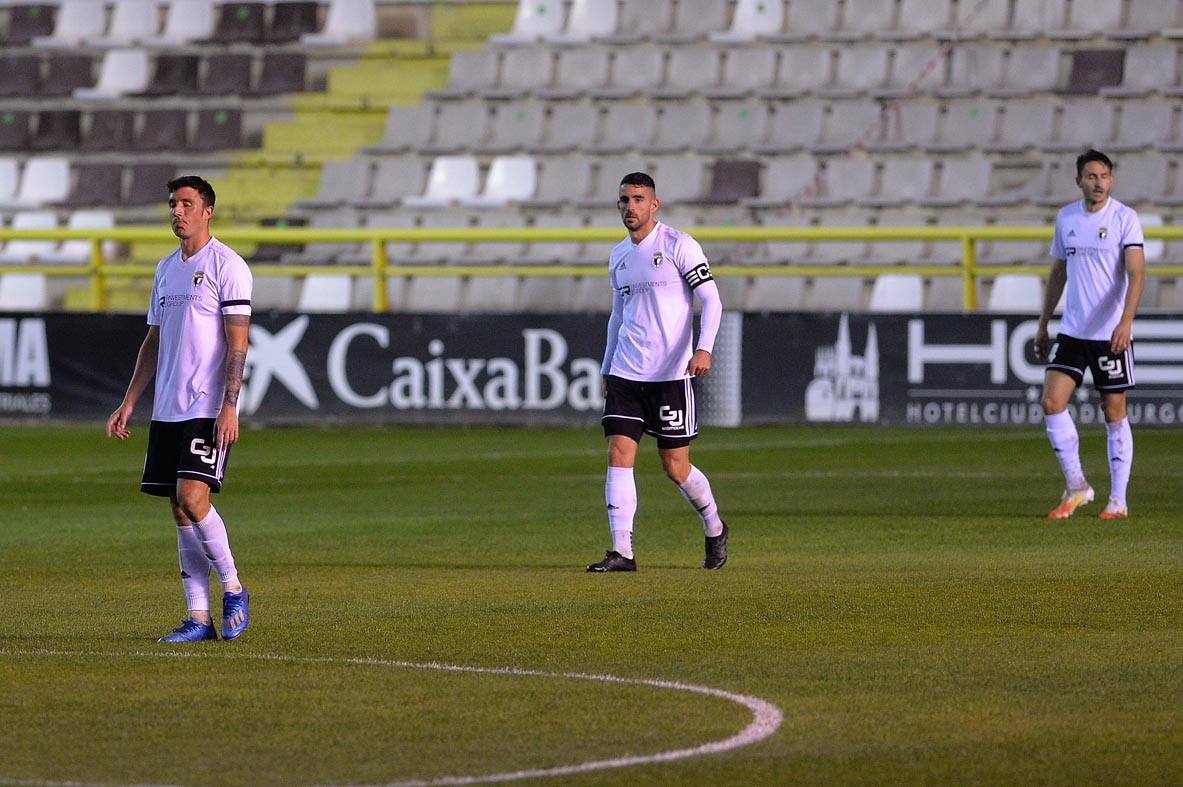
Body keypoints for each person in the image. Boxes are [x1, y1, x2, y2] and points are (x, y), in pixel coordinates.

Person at [107, 175, 253, 641]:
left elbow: (238, 343)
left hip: (206, 406)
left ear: (207, 210)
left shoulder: (228, 266)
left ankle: (233, 586)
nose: (177, 211)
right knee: (177, 507)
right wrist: (130, 401)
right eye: (173, 204)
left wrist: (229, 407)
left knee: (194, 498)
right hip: (167, 408)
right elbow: (153, 340)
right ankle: (198, 617)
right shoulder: (166, 268)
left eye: (187, 204)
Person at [588, 172, 728, 572]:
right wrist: (607, 363)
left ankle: (715, 527)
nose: (630, 207)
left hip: (671, 374)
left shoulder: (678, 245)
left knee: (675, 467)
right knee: (619, 453)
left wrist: (704, 348)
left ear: (654, 204)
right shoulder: (618, 256)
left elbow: (712, 301)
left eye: (637, 199)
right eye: (624, 200)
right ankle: (622, 551)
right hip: (626, 372)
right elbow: (618, 316)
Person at [1035, 149, 1145, 520]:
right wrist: (1043, 323)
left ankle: (1118, 500)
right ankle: (1077, 485)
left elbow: (1136, 273)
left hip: (1110, 333)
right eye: (1091, 176)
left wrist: (1126, 321)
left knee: (1113, 412)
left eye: (1104, 176)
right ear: (1078, 180)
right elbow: (1059, 273)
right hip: (1073, 331)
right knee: (1052, 402)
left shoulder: (1124, 219)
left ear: (1111, 180)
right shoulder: (1067, 218)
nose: (1098, 183)